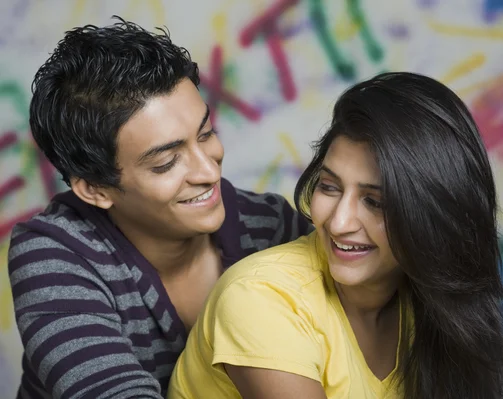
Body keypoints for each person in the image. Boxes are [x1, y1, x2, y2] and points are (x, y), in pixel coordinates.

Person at [7, 16, 312, 399]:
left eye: (206, 134)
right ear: (96, 189)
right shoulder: (55, 254)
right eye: (166, 162)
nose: (208, 170)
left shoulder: (270, 226)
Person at [168, 72, 503, 399]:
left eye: (374, 201)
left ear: (433, 213)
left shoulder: (429, 300)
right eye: (329, 187)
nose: (339, 222)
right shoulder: (260, 297)